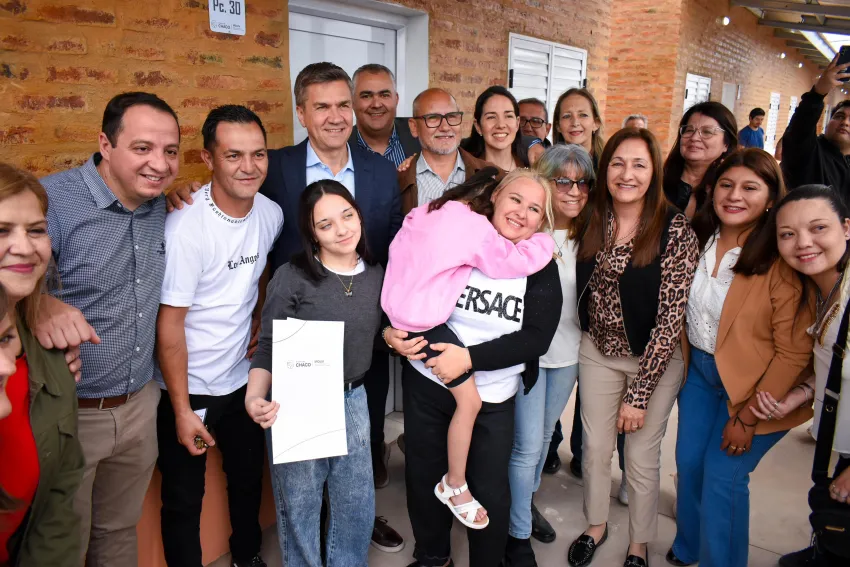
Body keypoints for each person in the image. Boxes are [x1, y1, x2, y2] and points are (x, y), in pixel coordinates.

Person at [385, 171, 563, 567]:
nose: (521, 213)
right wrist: (389, 332)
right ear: (496, 196)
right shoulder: (460, 234)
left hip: (492, 396)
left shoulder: (537, 264)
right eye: (515, 199)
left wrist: (468, 359)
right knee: (424, 476)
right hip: (428, 384)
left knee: (490, 491)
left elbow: (536, 339)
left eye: (534, 209)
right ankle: (433, 556)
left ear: (542, 220)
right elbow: (409, 283)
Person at [37, 91, 180, 566]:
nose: (159, 164)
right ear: (105, 144)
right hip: (69, 415)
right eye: (142, 148)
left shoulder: (161, 204)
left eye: (170, 151)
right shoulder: (51, 202)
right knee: (61, 543)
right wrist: (40, 304)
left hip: (140, 404)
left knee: (118, 532)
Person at [668, 149, 814, 567]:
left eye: (750, 187)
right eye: (726, 185)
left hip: (761, 387)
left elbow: (793, 352)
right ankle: (689, 546)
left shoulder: (779, 258)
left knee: (723, 475)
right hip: (701, 374)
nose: (734, 196)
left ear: (770, 198)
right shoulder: (698, 237)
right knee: (689, 464)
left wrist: (748, 418)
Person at [154, 105, 281, 567]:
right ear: (208, 159)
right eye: (233, 155)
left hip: (242, 379)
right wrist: (182, 409)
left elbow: (261, 268)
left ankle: (248, 557)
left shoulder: (270, 213)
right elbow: (169, 324)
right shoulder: (185, 226)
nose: (249, 167)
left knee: (247, 482)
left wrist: (260, 314)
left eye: (258, 154)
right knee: (184, 499)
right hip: (190, 387)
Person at [571, 128, 699, 567]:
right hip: (598, 352)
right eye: (618, 163)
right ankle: (596, 524)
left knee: (641, 457)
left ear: (654, 172)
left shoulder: (675, 230)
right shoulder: (592, 216)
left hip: (654, 360)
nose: (627, 174)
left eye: (639, 164)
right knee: (594, 447)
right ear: (604, 169)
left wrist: (639, 396)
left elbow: (670, 321)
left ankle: (639, 543)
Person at [245, 179, 383, 567]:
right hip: (297, 401)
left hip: (353, 398)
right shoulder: (292, 276)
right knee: (300, 505)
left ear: (359, 215)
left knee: (356, 503)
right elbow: (269, 345)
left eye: (347, 216)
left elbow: (377, 332)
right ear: (312, 233)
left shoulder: (375, 273)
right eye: (326, 224)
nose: (341, 229)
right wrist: (254, 395)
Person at [502, 145, 593, 565]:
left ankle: (523, 506)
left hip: (568, 355)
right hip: (529, 356)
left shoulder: (590, 235)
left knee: (541, 442)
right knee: (525, 446)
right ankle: (516, 534)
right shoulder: (526, 233)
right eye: (563, 181)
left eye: (583, 182)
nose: (574, 190)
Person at [751, 185, 850, 567]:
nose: (803, 243)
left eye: (818, 228)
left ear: (846, 227)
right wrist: (805, 391)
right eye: (788, 234)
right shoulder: (822, 289)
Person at [0, 164, 84, 567]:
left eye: (36, 231)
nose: (24, 247)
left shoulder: (50, 350)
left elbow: (57, 499)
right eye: (2, 231)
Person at [400, 88, 493, 215]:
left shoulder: (491, 175)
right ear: (414, 127)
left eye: (452, 116)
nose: (445, 127)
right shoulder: (397, 181)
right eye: (433, 118)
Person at [782, 54, 850, 192]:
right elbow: (801, 127)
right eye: (839, 116)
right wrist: (818, 93)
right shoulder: (808, 151)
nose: (845, 122)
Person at [663, 101, 738, 218]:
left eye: (707, 132)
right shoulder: (658, 181)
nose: (694, 138)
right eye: (689, 130)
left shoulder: (730, 191)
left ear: (726, 144)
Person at [349, 63, 420, 166]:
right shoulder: (341, 146)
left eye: (384, 95)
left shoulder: (420, 132)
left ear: (396, 100)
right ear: (352, 102)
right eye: (366, 96)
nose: (376, 105)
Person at [461, 86, 543, 171]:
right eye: (491, 117)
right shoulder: (467, 171)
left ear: (517, 123)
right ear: (478, 126)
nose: (501, 125)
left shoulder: (534, 170)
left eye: (508, 116)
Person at [552, 88, 605, 164]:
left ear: (596, 123)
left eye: (583, 115)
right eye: (567, 116)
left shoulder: (609, 163)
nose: (575, 123)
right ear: (558, 126)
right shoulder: (547, 165)